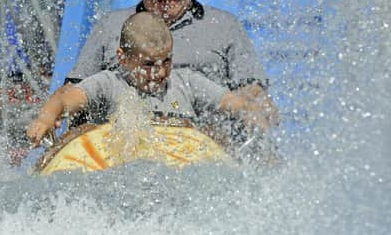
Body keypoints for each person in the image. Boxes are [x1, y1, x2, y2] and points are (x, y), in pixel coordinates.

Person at [28, 13, 279, 157]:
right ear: (122, 58)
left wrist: (252, 111)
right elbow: (63, 99)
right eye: (148, 64)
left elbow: (229, 102)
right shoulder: (108, 83)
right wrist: (45, 119)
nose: (159, 72)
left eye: (166, 61)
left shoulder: (185, 81)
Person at [67, 0, 268, 97]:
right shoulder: (111, 26)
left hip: (202, 140)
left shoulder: (224, 26)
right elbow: (74, 91)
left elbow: (252, 92)